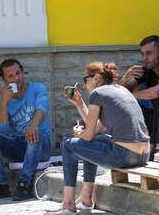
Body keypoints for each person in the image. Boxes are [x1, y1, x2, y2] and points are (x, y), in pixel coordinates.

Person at [45, 62, 150, 214]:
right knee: (92, 141)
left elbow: (88, 135)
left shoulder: (97, 94)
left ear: (96, 78)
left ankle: (68, 204)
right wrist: (79, 104)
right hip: (143, 155)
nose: (83, 85)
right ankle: (86, 199)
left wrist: (79, 134)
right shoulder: (121, 90)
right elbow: (96, 130)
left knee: (68, 145)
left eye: (84, 80)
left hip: (124, 155)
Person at [0, 59, 52, 201]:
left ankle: (24, 183)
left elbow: (42, 107)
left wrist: (33, 125)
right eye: (11, 76)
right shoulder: (2, 100)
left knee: (34, 135)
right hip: (18, 147)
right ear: (3, 79)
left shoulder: (37, 88)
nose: (16, 78)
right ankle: (1, 184)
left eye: (18, 73)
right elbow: (1, 133)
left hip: (40, 145)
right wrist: (4, 103)